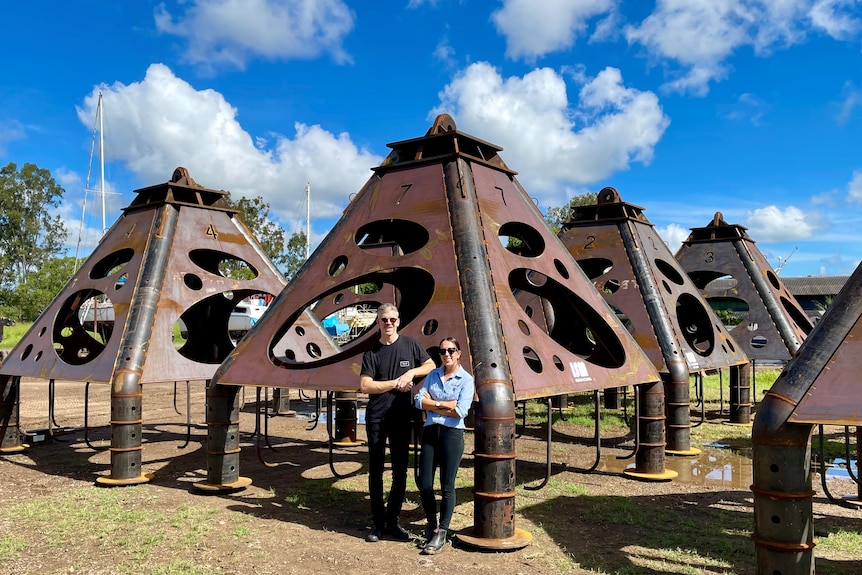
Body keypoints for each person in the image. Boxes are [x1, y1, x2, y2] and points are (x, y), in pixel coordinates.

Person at [359, 303, 435, 543]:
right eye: (384, 320)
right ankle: (378, 523)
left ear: (398, 321)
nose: (388, 323)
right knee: (376, 470)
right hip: (377, 417)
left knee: (400, 469)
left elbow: (431, 364)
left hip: (402, 417)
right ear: (378, 323)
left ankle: (393, 521)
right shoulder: (371, 352)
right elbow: (365, 385)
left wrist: (411, 373)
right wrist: (394, 383)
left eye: (392, 319)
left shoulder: (410, 344)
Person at [413, 337, 474, 554]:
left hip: (452, 434)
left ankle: (442, 531)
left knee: (447, 485)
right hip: (430, 432)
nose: (446, 354)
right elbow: (418, 400)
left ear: (459, 353)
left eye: (451, 350)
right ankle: (432, 523)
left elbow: (460, 411)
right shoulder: (433, 374)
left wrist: (432, 405)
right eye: (442, 351)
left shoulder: (466, 380)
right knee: (425, 483)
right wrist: (444, 404)